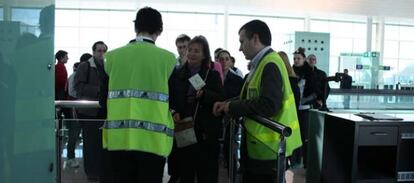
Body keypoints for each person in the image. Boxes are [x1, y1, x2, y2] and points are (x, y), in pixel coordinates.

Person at [213, 20, 302, 183]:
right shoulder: (261, 64)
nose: (240, 48)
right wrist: (227, 103)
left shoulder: (270, 64)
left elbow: (269, 105)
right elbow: (250, 97)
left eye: (242, 41)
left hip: (268, 150)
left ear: (255, 39)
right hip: (259, 147)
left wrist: (232, 107)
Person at [103, 7, 176, 183]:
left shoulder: (111, 57)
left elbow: (102, 96)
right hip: (153, 141)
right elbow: (175, 98)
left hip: (119, 139)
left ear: (135, 27)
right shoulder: (169, 59)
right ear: (160, 30)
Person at [169, 36, 224, 183]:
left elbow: (220, 98)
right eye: (190, 50)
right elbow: (171, 98)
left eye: (197, 51)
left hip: (205, 134)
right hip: (184, 131)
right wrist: (174, 112)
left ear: (204, 54)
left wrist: (205, 95)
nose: (192, 53)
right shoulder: (177, 74)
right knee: (185, 173)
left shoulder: (211, 75)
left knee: (207, 175)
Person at [74, 41, 109, 181]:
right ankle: (91, 172)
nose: (101, 53)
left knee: (101, 143)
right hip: (88, 112)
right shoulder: (85, 66)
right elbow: (78, 87)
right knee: (90, 143)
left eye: (104, 50)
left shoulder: (106, 66)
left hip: (102, 110)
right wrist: (99, 91)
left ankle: (100, 171)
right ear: (93, 51)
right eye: (99, 50)